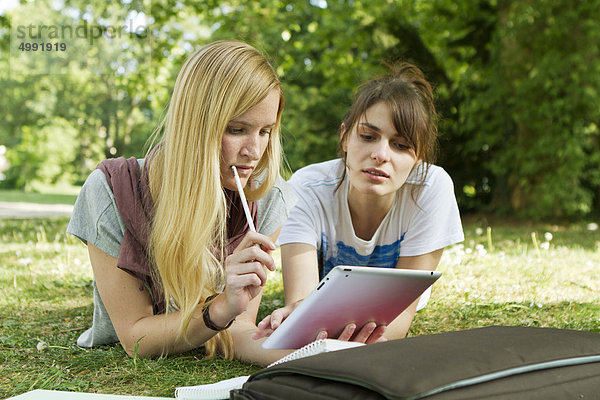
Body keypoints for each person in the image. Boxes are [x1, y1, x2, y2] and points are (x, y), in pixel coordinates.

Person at [67, 40, 295, 365]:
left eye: (265, 131)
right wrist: (219, 308)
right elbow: (136, 338)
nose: (254, 151)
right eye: (236, 129)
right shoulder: (111, 191)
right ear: (195, 126)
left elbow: (239, 329)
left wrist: (307, 355)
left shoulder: (267, 195)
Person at [255, 63, 464, 343]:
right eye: (368, 137)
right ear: (344, 137)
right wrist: (298, 314)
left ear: (419, 157)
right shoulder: (306, 189)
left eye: (401, 145)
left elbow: (396, 324)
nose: (380, 154)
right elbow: (303, 305)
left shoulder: (430, 189)